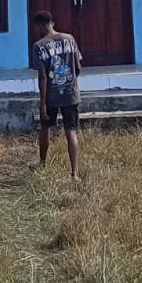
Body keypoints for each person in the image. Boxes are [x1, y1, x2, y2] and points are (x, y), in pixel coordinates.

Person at [32, 10, 83, 179]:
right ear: (52, 23)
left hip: (51, 96)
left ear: (39, 26)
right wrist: (70, 84)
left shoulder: (39, 46)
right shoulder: (69, 39)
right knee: (71, 132)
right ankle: (74, 173)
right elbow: (78, 67)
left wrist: (43, 103)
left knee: (45, 128)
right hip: (70, 94)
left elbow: (43, 76)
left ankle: (42, 162)